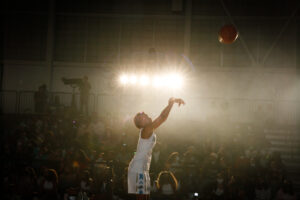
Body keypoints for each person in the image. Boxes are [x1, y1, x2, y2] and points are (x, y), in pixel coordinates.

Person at [128, 97, 185, 200]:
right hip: (138, 168)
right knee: (142, 197)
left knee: (145, 197)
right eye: (142, 115)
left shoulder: (147, 130)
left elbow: (162, 117)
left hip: (143, 168)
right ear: (141, 123)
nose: (145, 113)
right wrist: (170, 104)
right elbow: (162, 117)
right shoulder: (146, 129)